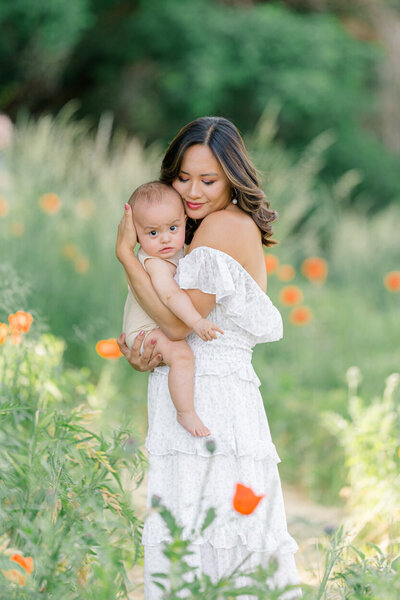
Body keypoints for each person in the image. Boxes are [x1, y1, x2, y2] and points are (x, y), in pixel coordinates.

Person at [116, 116, 302, 599]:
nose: (193, 190)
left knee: (211, 535)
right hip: (198, 391)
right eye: (182, 177)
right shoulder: (191, 234)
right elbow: (169, 326)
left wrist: (127, 257)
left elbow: (179, 325)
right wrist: (145, 352)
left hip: (214, 400)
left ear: (233, 177)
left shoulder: (223, 226)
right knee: (197, 535)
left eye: (208, 179)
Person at [122, 180, 223, 437]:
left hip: (155, 326)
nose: (165, 238)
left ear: (185, 220)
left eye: (173, 228)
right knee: (182, 356)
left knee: (181, 355)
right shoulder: (156, 263)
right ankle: (185, 413)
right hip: (144, 333)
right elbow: (170, 296)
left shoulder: (173, 254)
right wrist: (197, 322)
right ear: (136, 234)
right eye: (152, 233)